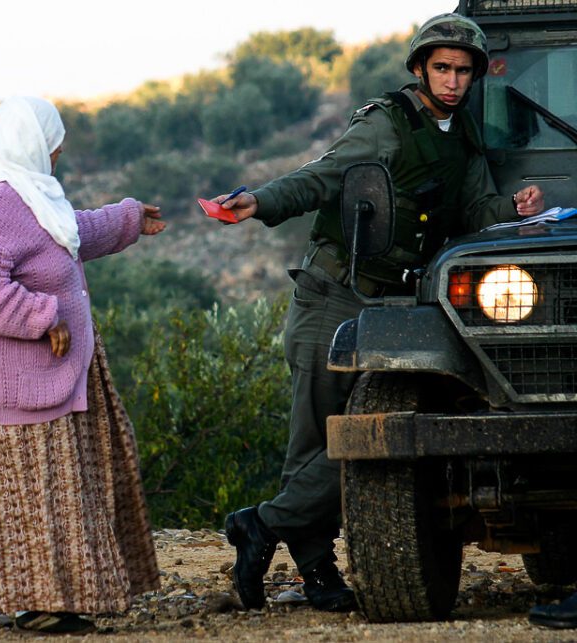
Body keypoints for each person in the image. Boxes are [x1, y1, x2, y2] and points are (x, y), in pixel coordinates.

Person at [215, 14, 546, 612]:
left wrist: (513, 208)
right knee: (314, 442)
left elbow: (474, 210)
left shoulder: (461, 135)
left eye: (463, 70)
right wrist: (259, 202)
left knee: (368, 437)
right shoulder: (386, 125)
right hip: (334, 293)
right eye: (442, 68)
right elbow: (322, 178)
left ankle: (260, 525)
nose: (452, 81)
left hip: (396, 302)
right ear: (420, 68)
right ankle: (316, 574)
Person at [0, 96, 165, 635]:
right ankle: (44, 603)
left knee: (59, 492)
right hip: (26, 377)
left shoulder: (26, 194)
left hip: (53, 374)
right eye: (53, 147)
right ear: (32, 144)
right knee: (38, 496)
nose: (57, 157)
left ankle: (66, 598)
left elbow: (68, 233)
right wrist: (41, 316)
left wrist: (128, 219)